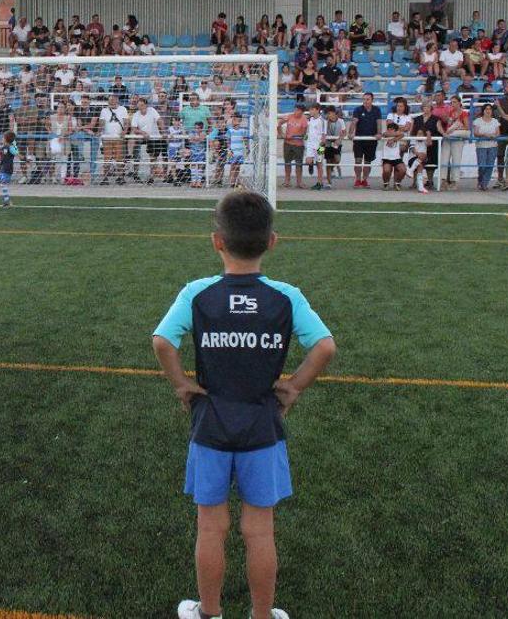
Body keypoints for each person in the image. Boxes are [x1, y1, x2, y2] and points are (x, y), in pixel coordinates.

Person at [153, 192, 336, 619]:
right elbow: (324, 347)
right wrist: (294, 387)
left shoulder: (198, 293)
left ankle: (209, 613)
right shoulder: (286, 296)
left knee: (210, 527)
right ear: (272, 241)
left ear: (217, 241)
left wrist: (181, 384)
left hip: (211, 425)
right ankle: (260, 615)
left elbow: (162, 341)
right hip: (262, 425)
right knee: (259, 530)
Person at [348, 92, 382, 188]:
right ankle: (358, 180)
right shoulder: (358, 110)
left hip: (371, 140)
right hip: (359, 140)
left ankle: (365, 180)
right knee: (358, 160)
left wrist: (379, 133)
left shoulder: (377, 110)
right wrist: (350, 133)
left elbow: (379, 123)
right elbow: (354, 122)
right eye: (364, 99)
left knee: (367, 162)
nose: (365, 101)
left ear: (372, 100)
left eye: (367, 99)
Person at [277, 103, 308, 189]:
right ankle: (287, 181)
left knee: (299, 163)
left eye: (297, 110)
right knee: (287, 162)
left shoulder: (304, 120)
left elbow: (304, 134)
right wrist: (281, 134)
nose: (295, 111)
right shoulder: (289, 116)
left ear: (302, 112)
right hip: (287, 143)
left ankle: (299, 182)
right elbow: (279, 124)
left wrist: (294, 136)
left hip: (298, 144)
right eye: (295, 109)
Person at [472, 104, 501, 190]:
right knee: (482, 165)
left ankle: (484, 184)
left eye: (490, 109)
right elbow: (476, 133)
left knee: (490, 165)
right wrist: (485, 135)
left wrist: (493, 136)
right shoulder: (478, 121)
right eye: (486, 109)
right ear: (483, 110)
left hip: (493, 146)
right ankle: (480, 180)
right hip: (481, 146)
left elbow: (498, 133)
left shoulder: (495, 121)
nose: (488, 111)